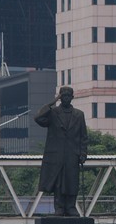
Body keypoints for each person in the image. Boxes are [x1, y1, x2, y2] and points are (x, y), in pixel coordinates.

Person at [34, 86, 89, 216]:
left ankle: (70, 206)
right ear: (59, 98)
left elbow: (83, 136)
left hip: (72, 154)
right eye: (63, 96)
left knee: (72, 181)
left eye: (68, 96)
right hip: (56, 155)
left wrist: (83, 153)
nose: (66, 98)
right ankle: (59, 207)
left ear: (72, 98)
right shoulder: (53, 113)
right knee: (58, 182)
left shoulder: (79, 115)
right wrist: (51, 103)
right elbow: (38, 118)